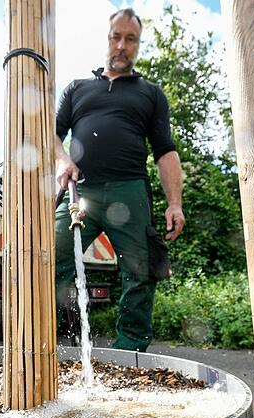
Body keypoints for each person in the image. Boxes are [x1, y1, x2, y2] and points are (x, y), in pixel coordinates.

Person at [54, 8, 185, 352]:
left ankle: (129, 350)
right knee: (50, 259)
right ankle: (50, 342)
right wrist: (63, 158)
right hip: (80, 191)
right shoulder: (77, 89)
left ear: (138, 45)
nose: (122, 45)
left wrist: (175, 203)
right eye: (116, 36)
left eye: (131, 39)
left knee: (140, 272)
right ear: (107, 39)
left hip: (131, 191)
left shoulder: (150, 94)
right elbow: (50, 136)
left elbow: (165, 151)